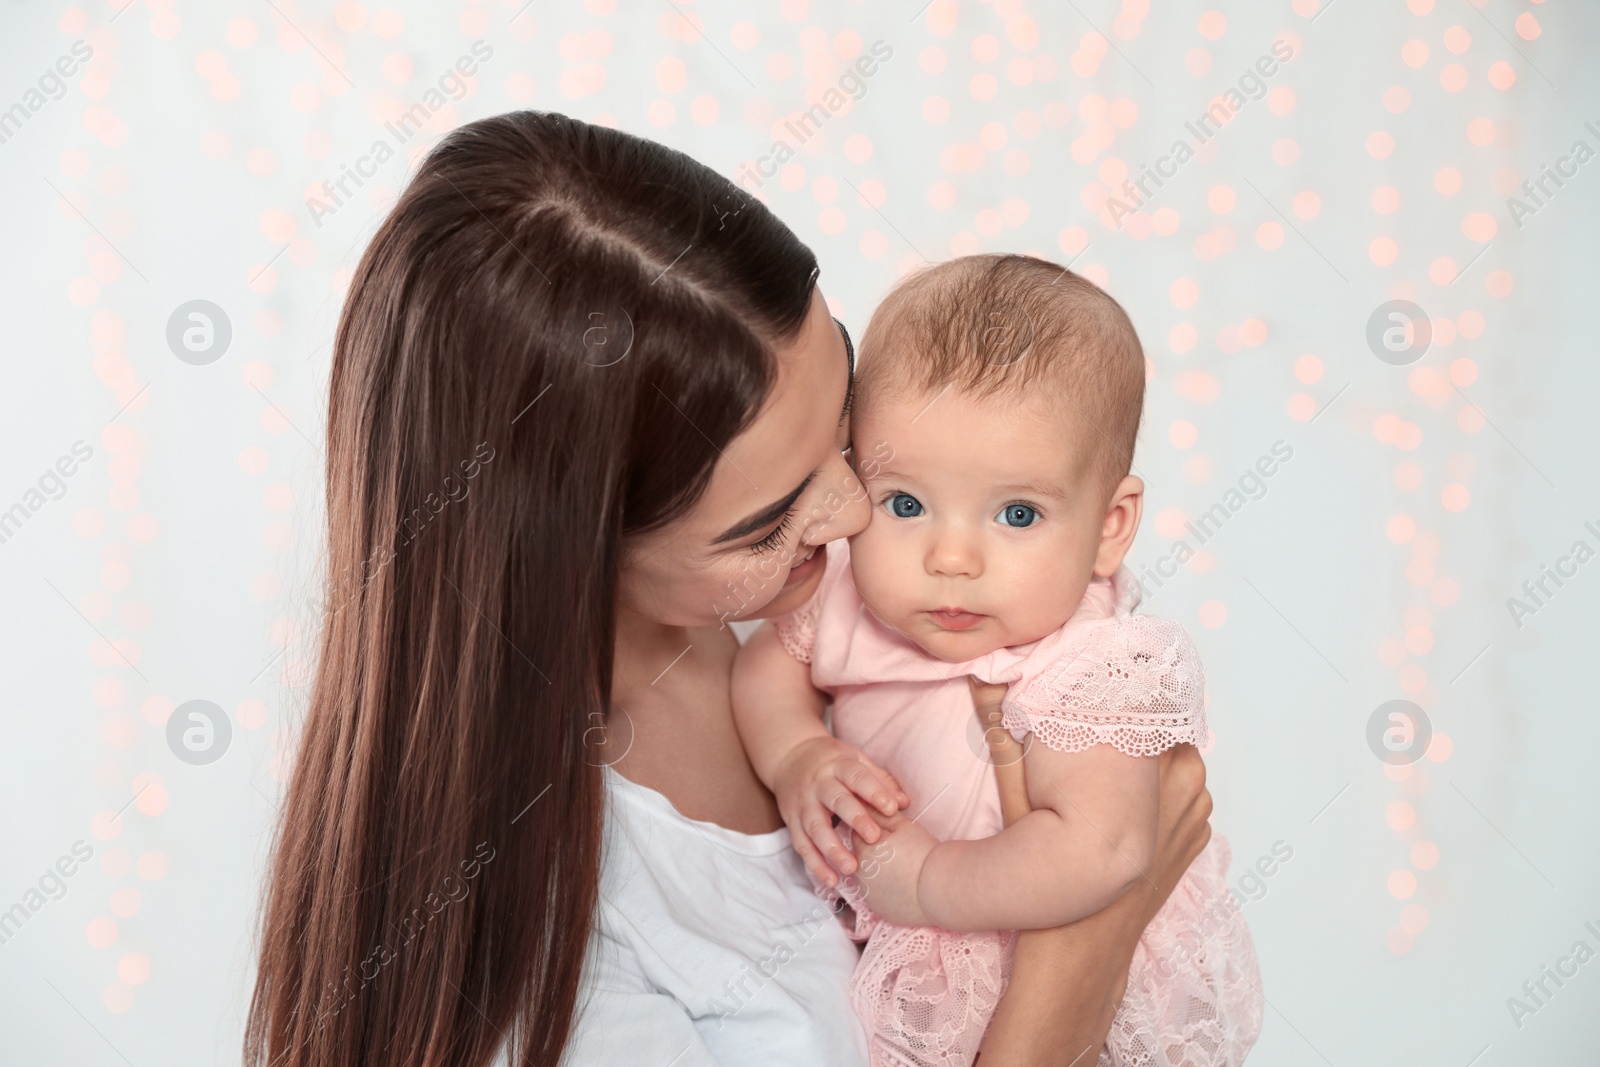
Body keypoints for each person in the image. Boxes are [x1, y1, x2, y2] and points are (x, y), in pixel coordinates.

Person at [244, 110, 1218, 1067]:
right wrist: (1082, 950)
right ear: (575, 554)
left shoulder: (817, 615)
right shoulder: (558, 969)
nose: (850, 516)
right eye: (772, 515)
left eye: (845, 430)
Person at [733, 254, 1263, 1065]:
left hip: (1044, 967)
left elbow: (1106, 848)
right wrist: (799, 751)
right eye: (905, 504)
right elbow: (768, 669)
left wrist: (932, 880)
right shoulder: (845, 595)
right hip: (897, 956)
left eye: (1017, 513)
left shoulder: (1092, 664)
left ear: (1111, 526)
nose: (951, 556)